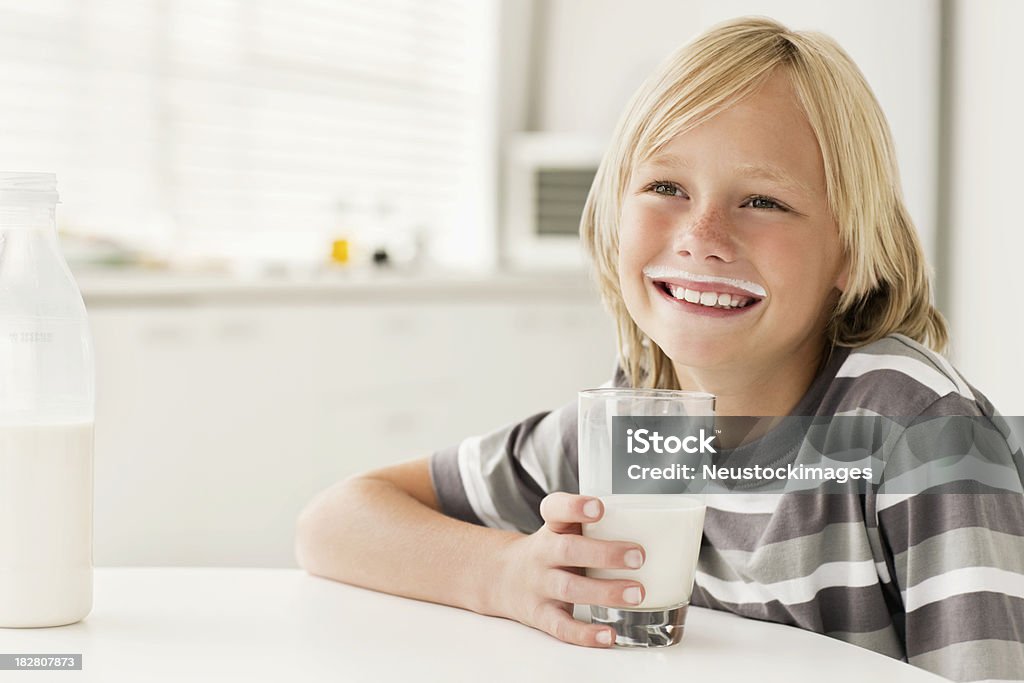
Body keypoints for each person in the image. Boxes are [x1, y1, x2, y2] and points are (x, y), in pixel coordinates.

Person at [294, 16, 1024, 683]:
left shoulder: (919, 432)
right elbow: (335, 521)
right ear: (615, 219)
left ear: (849, 251)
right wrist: (507, 572)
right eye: (666, 185)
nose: (702, 236)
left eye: (763, 200)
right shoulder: (624, 432)